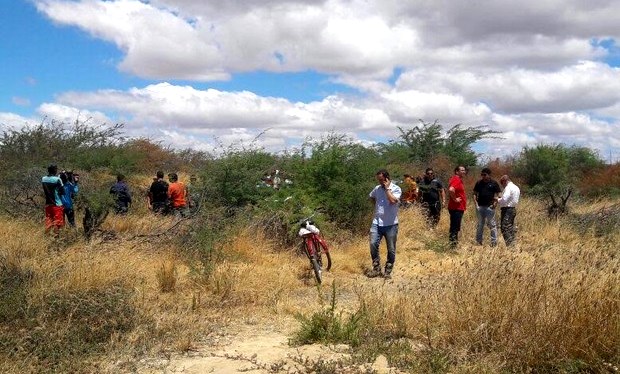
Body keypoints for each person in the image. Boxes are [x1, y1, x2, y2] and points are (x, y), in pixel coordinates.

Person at [368, 169, 402, 279]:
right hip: (377, 222)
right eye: (379, 180)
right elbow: (371, 197)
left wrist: (387, 189)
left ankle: (388, 271)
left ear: (387, 178)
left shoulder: (396, 189)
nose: (380, 182)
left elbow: (393, 201)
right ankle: (376, 268)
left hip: (391, 224)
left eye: (382, 180)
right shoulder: (377, 189)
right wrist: (376, 206)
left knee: (391, 249)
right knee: (373, 244)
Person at [473, 167, 502, 246]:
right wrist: (476, 204)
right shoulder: (479, 183)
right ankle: (478, 242)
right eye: (482, 174)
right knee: (480, 225)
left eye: (484, 175)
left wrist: (495, 204)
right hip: (480, 207)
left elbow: (499, 194)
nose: (483, 176)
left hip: (490, 207)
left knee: (492, 225)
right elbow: (475, 194)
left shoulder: (494, 183)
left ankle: (494, 243)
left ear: (489, 175)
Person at [42, 164, 65, 236]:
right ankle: (57, 238)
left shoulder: (43, 179)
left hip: (48, 204)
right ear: (55, 170)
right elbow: (62, 192)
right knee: (58, 223)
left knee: (48, 223)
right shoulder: (58, 179)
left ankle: (47, 237)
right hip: (57, 204)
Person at [497, 175, 520, 247]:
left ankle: (510, 246)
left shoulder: (508, 188)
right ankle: (512, 244)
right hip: (512, 209)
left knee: (505, 227)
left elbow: (504, 199)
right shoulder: (516, 187)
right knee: (510, 228)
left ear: (504, 181)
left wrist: (497, 199)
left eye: (502, 183)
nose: (502, 185)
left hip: (507, 210)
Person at [448, 166, 467, 248]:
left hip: (457, 207)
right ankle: (453, 246)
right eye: (462, 170)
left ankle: (453, 244)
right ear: (456, 171)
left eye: (464, 170)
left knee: (455, 226)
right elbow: (451, 189)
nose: (464, 171)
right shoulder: (456, 179)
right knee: (455, 227)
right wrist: (455, 199)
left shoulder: (457, 179)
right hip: (456, 207)